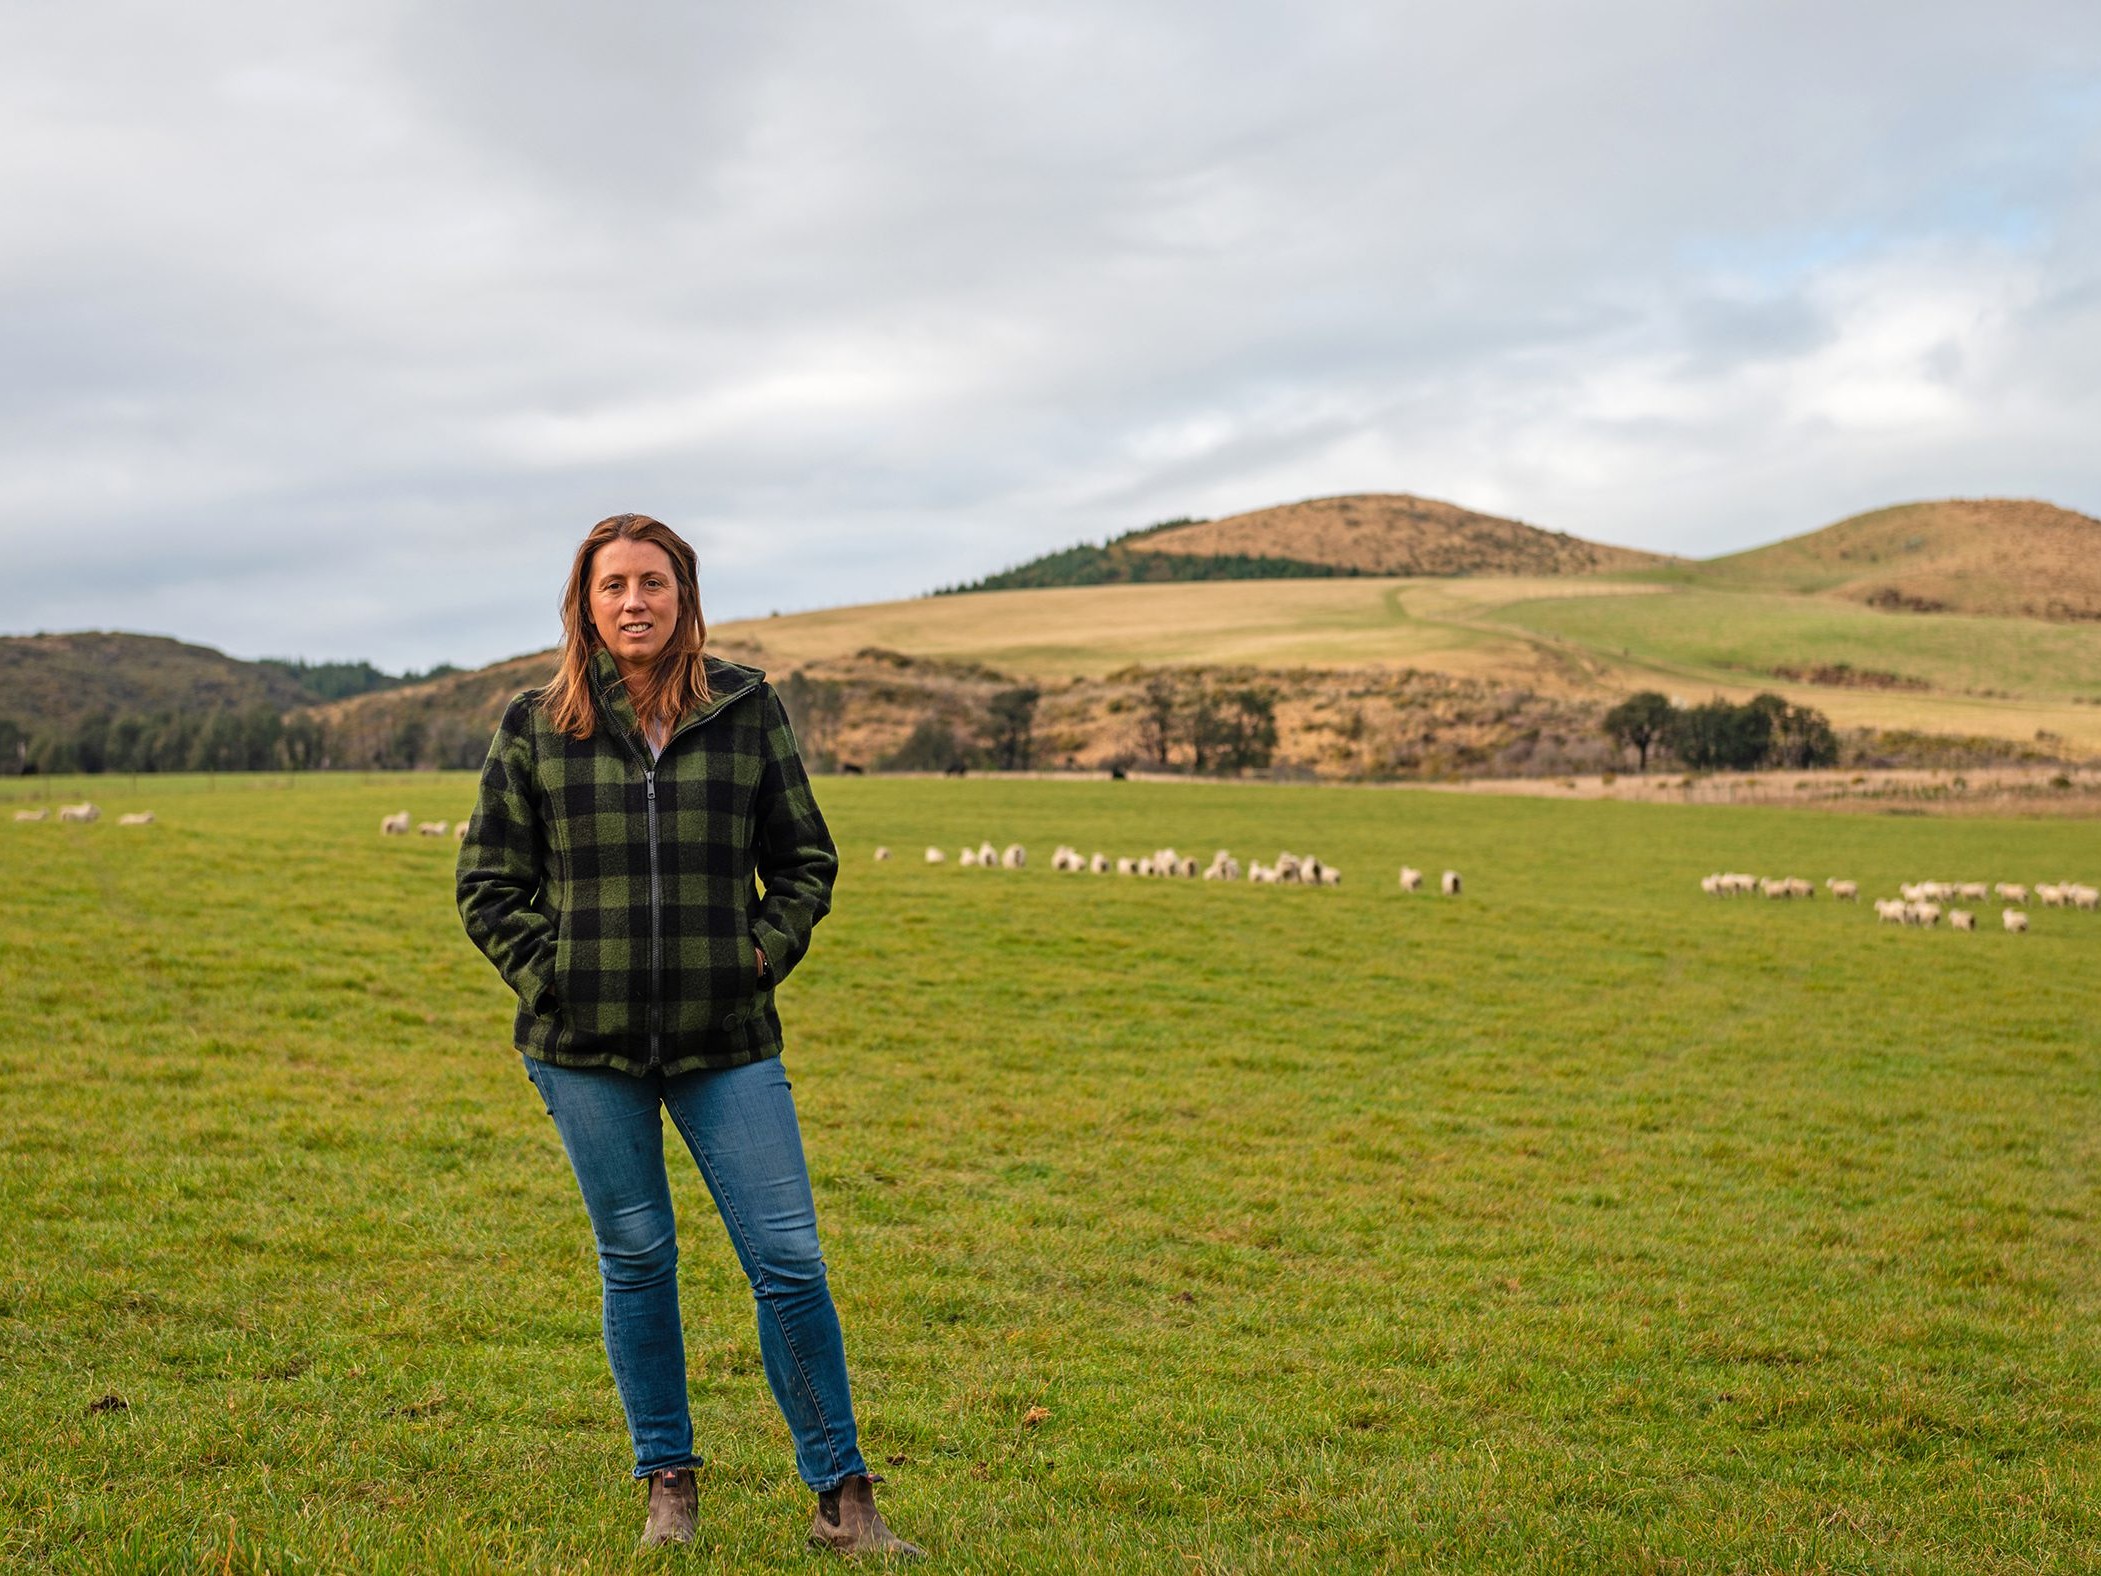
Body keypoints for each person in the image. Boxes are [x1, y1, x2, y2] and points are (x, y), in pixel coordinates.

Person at [456, 513, 921, 1558]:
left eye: (652, 582)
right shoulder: (535, 723)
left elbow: (806, 861)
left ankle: (842, 1497)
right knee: (637, 1257)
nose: (633, 601)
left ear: (684, 595)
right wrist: (558, 976)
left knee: (789, 1259)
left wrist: (758, 955)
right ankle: (668, 1480)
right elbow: (487, 884)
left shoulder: (747, 710)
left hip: (729, 1038)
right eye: (612, 583)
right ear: (585, 601)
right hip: (585, 1050)